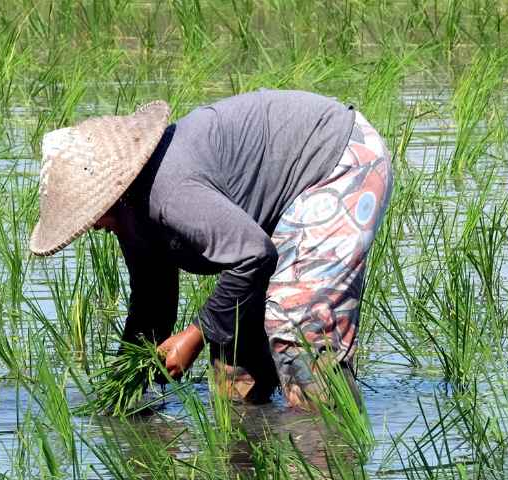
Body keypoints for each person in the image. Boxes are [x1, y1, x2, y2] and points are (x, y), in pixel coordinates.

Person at [28, 89, 393, 408]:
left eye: (91, 212)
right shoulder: (130, 212)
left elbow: (253, 255)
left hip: (338, 159)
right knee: (231, 357)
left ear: (113, 190)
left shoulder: (169, 192)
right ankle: (248, 467)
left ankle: (328, 459)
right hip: (277, 209)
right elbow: (151, 301)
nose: (92, 225)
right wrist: (127, 385)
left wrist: (195, 334)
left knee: (296, 326)